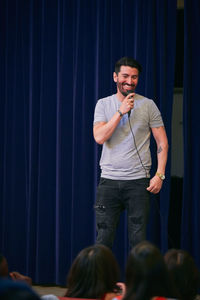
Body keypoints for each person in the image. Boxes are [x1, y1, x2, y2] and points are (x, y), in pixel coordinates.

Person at [93, 56, 168, 249]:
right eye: (125, 76)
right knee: (103, 239)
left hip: (138, 184)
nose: (130, 81)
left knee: (138, 242)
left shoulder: (148, 105)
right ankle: (101, 280)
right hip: (108, 182)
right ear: (115, 77)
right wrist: (120, 112)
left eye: (134, 77)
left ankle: (137, 280)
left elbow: (162, 142)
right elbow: (99, 137)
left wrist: (159, 175)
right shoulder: (103, 104)